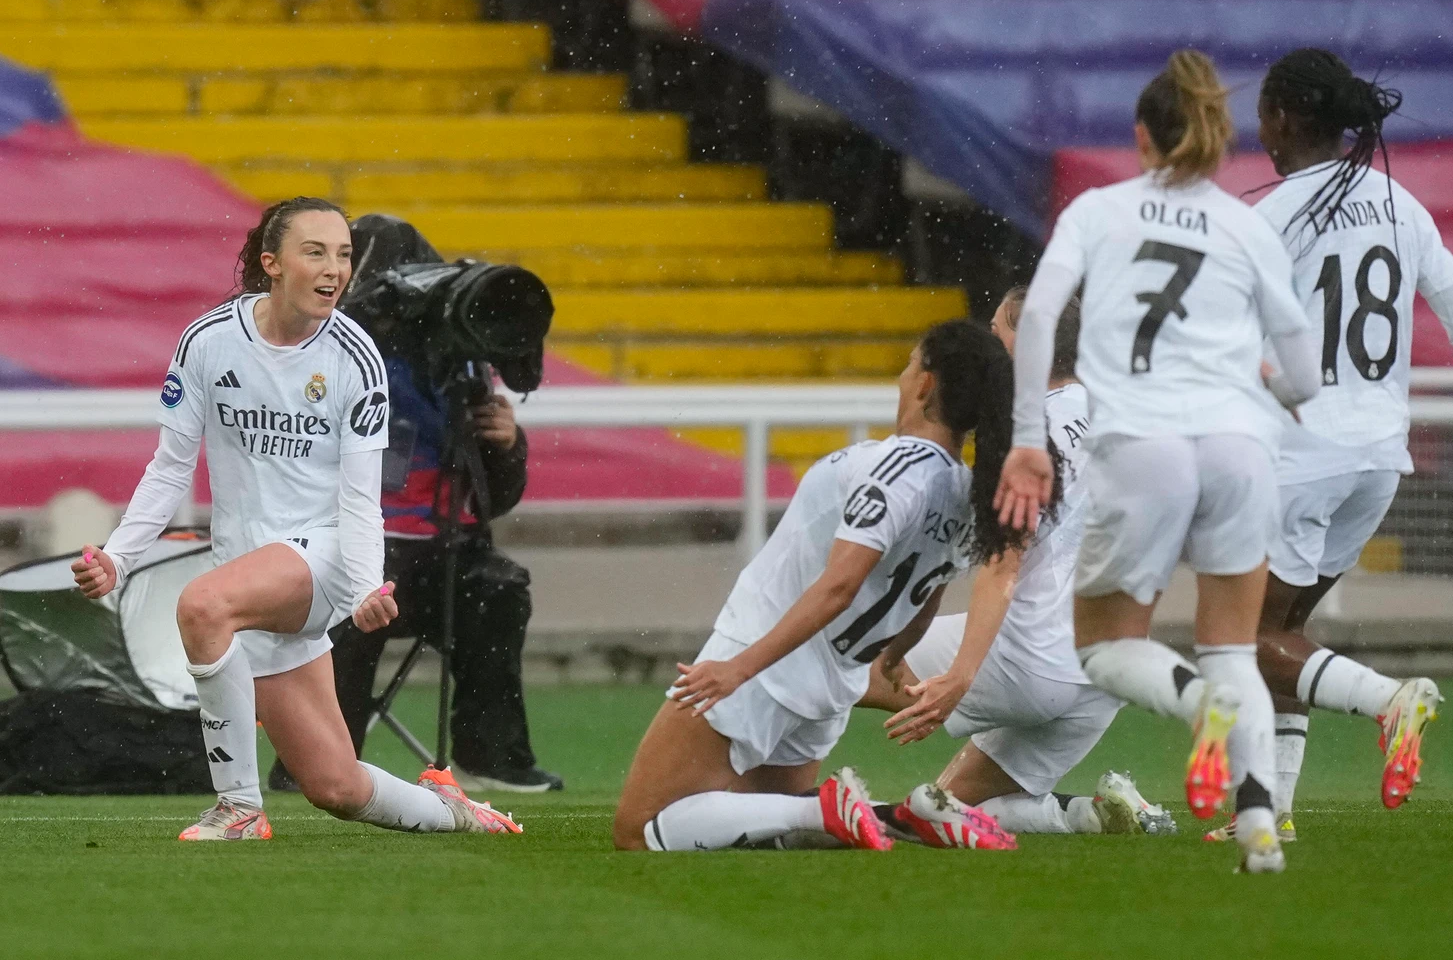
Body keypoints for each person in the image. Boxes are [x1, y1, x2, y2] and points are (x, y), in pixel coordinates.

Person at [71, 196, 520, 840]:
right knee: (335, 786)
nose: (335, 268)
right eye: (316, 252)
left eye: (343, 255)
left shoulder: (354, 357)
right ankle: (456, 813)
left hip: (326, 557)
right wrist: (119, 555)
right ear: (271, 263)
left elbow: (361, 496)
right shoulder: (207, 342)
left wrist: (367, 584)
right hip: (251, 568)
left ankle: (238, 808)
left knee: (202, 606)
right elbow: (170, 467)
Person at [996, 49, 1323, 874]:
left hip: (1144, 443)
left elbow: (1037, 319)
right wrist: (1268, 384)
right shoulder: (1249, 225)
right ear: (1217, 143)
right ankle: (1256, 828)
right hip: (1238, 446)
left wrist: (1027, 438)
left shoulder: (1099, 211)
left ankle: (1198, 709)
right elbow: (1306, 377)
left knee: (1104, 648)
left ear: (1141, 136)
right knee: (1233, 647)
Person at [1231, 48, 1453, 841]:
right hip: (1377, 457)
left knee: (1242, 636)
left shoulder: (1269, 218)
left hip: (1298, 456)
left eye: (1262, 113)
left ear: (1281, 117)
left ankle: (1390, 700)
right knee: (1289, 634)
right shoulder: (1400, 203)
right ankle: (1271, 812)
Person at [612, 319, 1025, 854]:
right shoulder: (964, 491)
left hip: (765, 657)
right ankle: (895, 818)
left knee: (639, 829)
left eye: (907, 366)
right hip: (832, 685)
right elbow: (926, 596)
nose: (902, 380)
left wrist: (739, 668)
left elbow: (840, 585)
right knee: (766, 833)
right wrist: (895, 657)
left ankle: (845, 808)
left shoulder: (897, 466)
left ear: (926, 383)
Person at [859, 287, 1176, 840]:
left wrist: (960, 675)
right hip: (1105, 673)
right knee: (935, 810)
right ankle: (1085, 814)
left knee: (816, 662)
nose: (988, 344)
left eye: (997, 332)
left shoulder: (1025, 433)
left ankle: (741, 802)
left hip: (1030, 658)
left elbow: (1003, 567)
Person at [268, 345, 558, 795]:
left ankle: (493, 757)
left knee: (499, 591)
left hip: (452, 552)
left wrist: (507, 445)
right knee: (345, 600)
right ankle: (316, 762)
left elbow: (494, 499)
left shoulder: (464, 360)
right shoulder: (342, 349)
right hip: (351, 543)